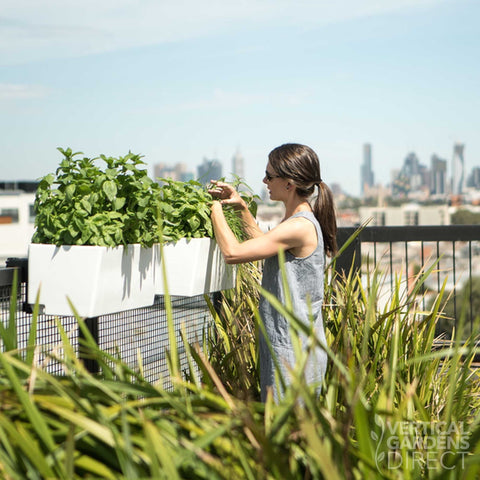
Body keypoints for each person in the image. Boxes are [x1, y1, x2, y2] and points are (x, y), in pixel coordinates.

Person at [209, 143, 337, 402]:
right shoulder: (295, 222)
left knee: (287, 433)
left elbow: (232, 253)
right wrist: (241, 208)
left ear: (289, 184)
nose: (264, 180)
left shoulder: (300, 226)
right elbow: (266, 245)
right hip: (289, 345)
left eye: (270, 175)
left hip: (294, 352)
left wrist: (214, 210)